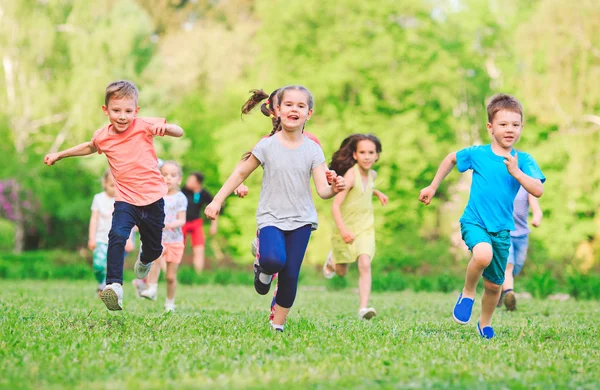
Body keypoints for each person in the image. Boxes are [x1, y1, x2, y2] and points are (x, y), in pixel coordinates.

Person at [205, 85, 346, 332]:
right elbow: (240, 171)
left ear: (309, 113)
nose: (294, 109)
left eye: (301, 106)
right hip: (271, 217)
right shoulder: (267, 146)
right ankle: (262, 266)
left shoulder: (313, 149)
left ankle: (277, 325)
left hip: (301, 219)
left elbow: (323, 190)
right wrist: (218, 200)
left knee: (290, 275)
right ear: (277, 110)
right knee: (273, 259)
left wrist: (335, 187)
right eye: (289, 104)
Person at [44, 80, 184, 311]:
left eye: (128, 111)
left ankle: (145, 260)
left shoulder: (145, 125)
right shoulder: (104, 136)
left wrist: (167, 129)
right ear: (106, 110)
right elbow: (89, 147)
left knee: (154, 249)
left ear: (136, 111)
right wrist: (60, 154)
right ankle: (114, 286)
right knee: (117, 235)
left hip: (153, 200)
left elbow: (179, 132)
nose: (122, 116)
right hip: (125, 200)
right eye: (116, 110)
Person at [418, 94, 545, 339]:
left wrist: (516, 172)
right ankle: (467, 292)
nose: (510, 129)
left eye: (515, 125)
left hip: (502, 230)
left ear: (521, 127)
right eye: (503, 124)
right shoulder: (478, 154)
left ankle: (484, 323)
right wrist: (432, 187)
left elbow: (537, 189)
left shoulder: (523, 160)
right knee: (482, 254)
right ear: (490, 127)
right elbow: (451, 158)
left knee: (494, 285)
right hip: (474, 221)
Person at [322, 134, 388, 320]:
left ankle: (363, 308)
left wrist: (377, 193)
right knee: (341, 272)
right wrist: (343, 231)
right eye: (362, 152)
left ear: (377, 156)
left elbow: (365, 188)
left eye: (371, 152)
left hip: (365, 228)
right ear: (355, 155)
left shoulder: (372, 175)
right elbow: (335, 205)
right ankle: (332, 262)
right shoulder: (351, 174)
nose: (367, 156)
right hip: (345, 229)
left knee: (365, 263)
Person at [140, 161, 187, 312]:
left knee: (170, 277)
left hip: (175, 241)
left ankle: (170, 302)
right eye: (164, 175)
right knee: (155, 260)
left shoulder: (180, 198)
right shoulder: (156, 196)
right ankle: (152, 288)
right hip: (159, 239)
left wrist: (167, 224)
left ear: (179, 179)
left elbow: (182, 219)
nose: (168, 178)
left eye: (172, 175)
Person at [89, 170, 135, 297]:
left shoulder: (124, 200)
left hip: (118, 240)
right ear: (104, 183)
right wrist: (92, 238)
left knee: (111, 265)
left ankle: (106, 288)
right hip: (100, 239)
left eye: (118, 186)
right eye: (111, 185)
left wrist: (129, 239)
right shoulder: (98, 198)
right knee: (98, 265)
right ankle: (100, 283)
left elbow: (129, 222)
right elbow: (94, 219)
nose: (115, 189)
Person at [499, 186, 542, 311]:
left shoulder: (527, 187)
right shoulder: (502, 184)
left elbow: (537, 210)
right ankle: (509, 294)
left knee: (516, 267)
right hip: (505, 232)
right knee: (509, 265)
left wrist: (536, 218)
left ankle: (499, 290)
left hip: (522, 235)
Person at [181, 172, 218, 273]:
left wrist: (214, 225)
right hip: (182, 223)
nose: (188, 182)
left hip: (196, 223)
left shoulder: (204, 193)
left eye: (191, 180)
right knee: (178, 248)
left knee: (199, 248)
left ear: (198, 183)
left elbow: (215, 207)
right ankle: (173, 272)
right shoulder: (183, 191)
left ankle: (198, 274)